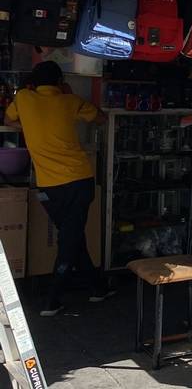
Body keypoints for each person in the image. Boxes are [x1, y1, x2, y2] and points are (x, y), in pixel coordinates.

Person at [3, 61, 111, 316]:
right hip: (78, 182)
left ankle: (98, 288)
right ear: (59, 81)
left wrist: (31, 129)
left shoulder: (24, 99)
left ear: (34, 82)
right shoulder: (69, 101)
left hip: (49, 188)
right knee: (69, 239)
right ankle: (53, 299)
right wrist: (68, 93)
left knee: (72, 236)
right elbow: (101, 118)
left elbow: (8, 119)